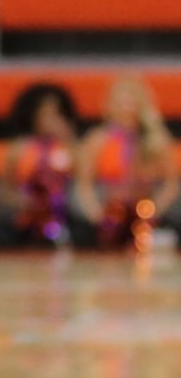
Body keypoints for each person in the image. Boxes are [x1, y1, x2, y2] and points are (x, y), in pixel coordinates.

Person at [75, 76, 179, 250]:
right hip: (107, 207)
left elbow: (171, 183)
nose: (126, 109)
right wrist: (98, 216)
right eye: (121, 103)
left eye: (131, 103)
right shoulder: (96, 139)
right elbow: (83, 185)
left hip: (147, 208)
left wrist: (153, 211)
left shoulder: (157, 140)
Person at [0, 81, 79, 248]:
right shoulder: (19, 149)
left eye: (57, 115)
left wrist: (67, 140)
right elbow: (4, 192)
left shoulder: (72, 149)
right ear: (33, 116)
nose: (52, 121)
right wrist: (25, 202)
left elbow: (81, 186)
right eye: (46, 114)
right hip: (26, 218)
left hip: (63, 217)